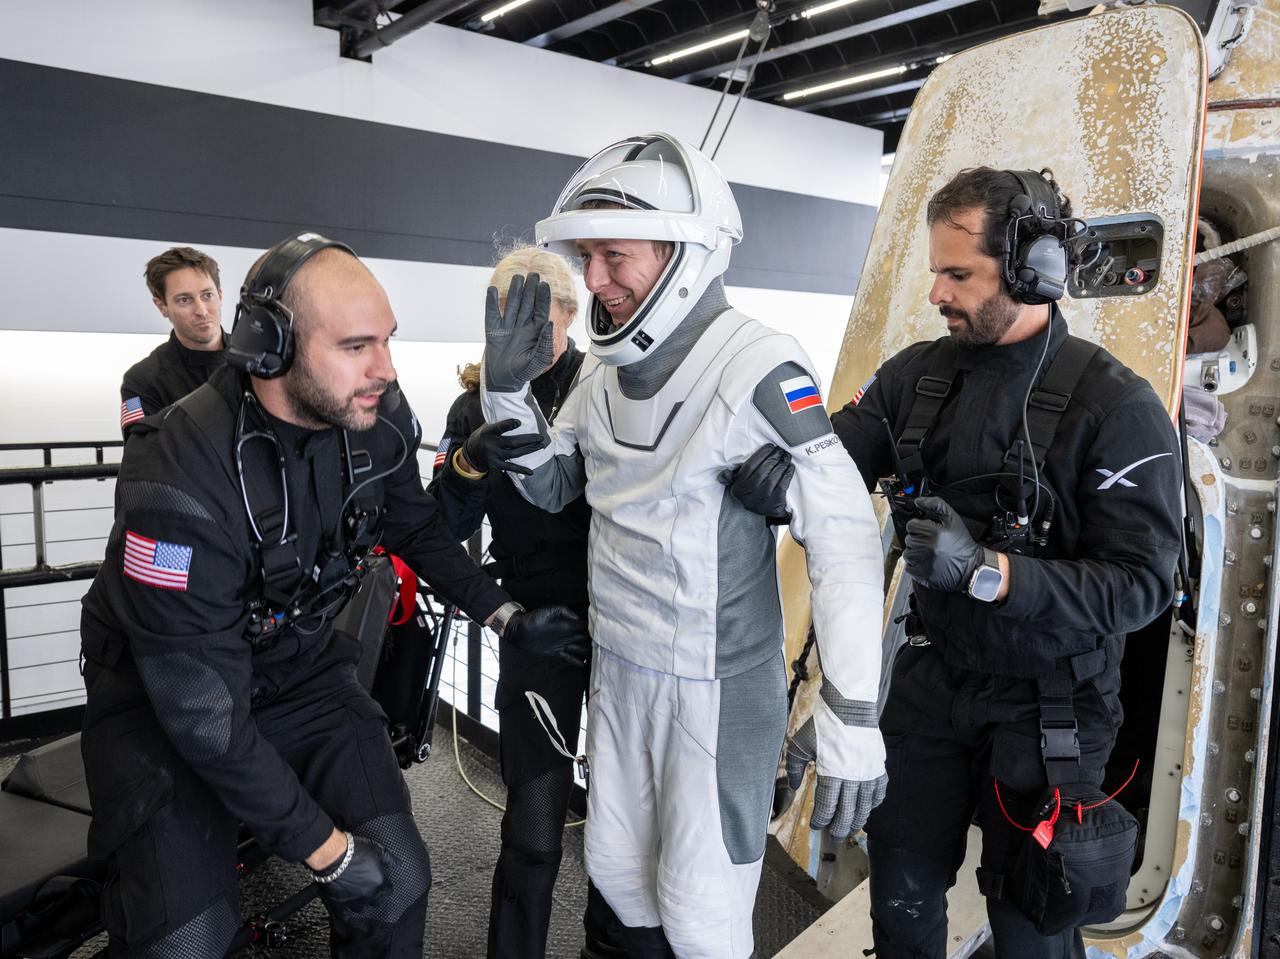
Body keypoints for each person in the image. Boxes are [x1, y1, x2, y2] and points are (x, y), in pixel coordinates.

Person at [79, 232, 589, 957]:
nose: (386, 368)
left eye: (387, 340)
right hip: (166, 697)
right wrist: (330, 854)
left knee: (399, 880)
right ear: (271, 346)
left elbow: (416, 524)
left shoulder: (374, 414)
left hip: (299, 669)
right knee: (187, 941)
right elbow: (204, 717)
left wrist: (504, 616)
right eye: (356, 346)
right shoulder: (176, 472)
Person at [730, 167, 1183, 957]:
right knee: (900, 899)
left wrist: (989, 571)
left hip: (1052, 705)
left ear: (1033, 270)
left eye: (959, 275)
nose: (937, 292)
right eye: (936, 270)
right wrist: (782, 475)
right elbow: (829, 462)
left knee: (1031, 927)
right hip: (934, 681)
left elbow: (1142, 584)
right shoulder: (915, 376)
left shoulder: (1117, 407)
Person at [478, 133, 887, 958]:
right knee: (619, 880)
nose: (595, 279)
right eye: (587, 257)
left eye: (614, 256)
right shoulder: (601, 375)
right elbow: (554, 485)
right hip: (620, 672)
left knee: (703, 917)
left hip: (715, 691)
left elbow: (845, 540)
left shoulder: (758, 365)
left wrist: (853, 721)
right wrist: (505, 393)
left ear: (684, 253)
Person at [429, 246, 624, 959]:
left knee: (624, 825)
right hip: (537, 625)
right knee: (534, 826)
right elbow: (438, 529)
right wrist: (467, 464)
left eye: (538, 319)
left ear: (571, 313)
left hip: (621, 618)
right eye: (507, 321)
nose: (522, 336)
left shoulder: (610, 388)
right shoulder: (472, 406)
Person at [120, 246, 229, 435]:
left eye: (207, 295)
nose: (202, 311)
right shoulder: (140, 382)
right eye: (184, 300)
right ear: (162, 306)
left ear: (219, 295)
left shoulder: (261, 361)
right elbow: (141, 449)